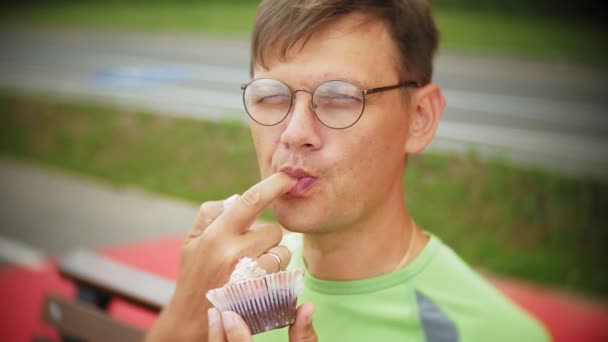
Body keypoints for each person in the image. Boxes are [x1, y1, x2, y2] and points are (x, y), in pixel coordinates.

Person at [147, 0, 550, 341]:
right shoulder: (229, 286)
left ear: (420, 118)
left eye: (339, 98)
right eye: (271, 95)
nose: (294, 133)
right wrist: (184, 317)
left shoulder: (490, 332)